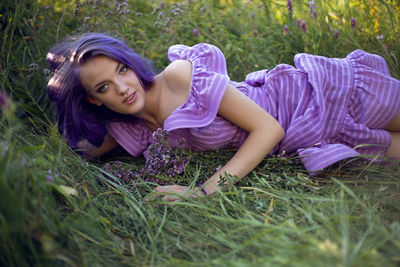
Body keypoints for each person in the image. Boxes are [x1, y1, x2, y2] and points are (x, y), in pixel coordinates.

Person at [46, 33, 400, 202]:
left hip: (319, 94)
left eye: (123, 69)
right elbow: (79, 154)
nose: (123, 88)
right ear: (92, 100)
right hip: (312, 137)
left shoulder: (181, 77)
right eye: (105, 87)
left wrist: (203, 191)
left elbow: (269, 128)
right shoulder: (129, 127)